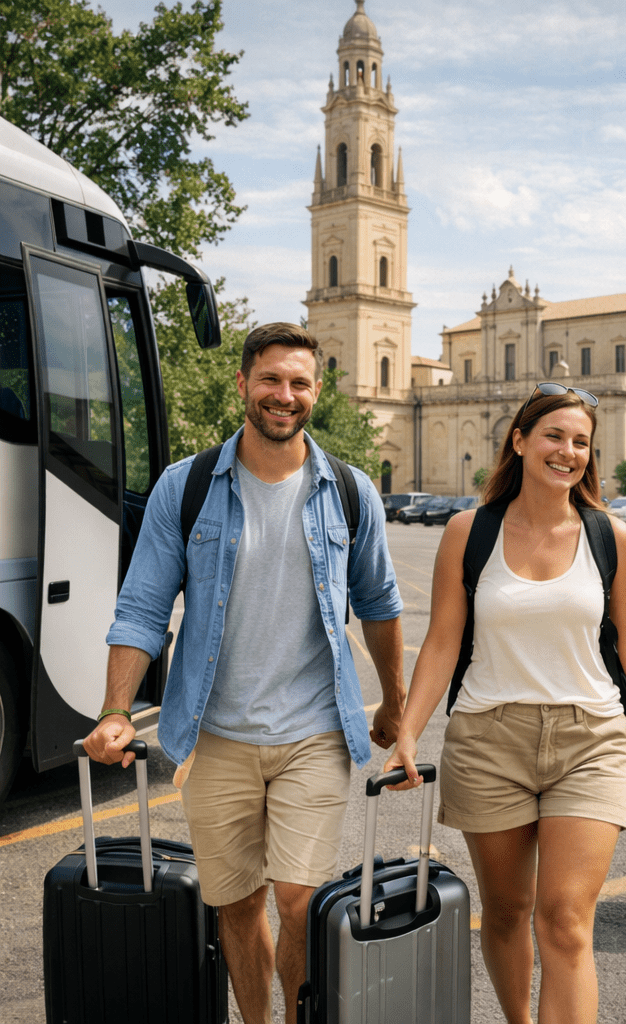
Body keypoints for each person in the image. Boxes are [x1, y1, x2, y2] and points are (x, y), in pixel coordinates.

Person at [82, 323, 406, 1024]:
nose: (282, 396)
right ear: (243, 385)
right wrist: (114, 709)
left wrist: (395, 706)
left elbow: (380, 603)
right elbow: (141, 606)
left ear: (316, 392)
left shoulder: (348, 491)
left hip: (314, 731)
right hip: (214, 732)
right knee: (235, 904)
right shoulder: (188, 485)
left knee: (297, 899)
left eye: (297, 383)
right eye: (269, 380)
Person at [383, 382, 626, 1024]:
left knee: (565, 923)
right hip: (487, 739)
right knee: (506, 912)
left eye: (581, 442)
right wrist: (408, 733)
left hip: (592, 739)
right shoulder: (470, 532)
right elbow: (443, 641)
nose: (568, 451)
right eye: (554, 435)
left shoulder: (612, 536)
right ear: (520, 441)